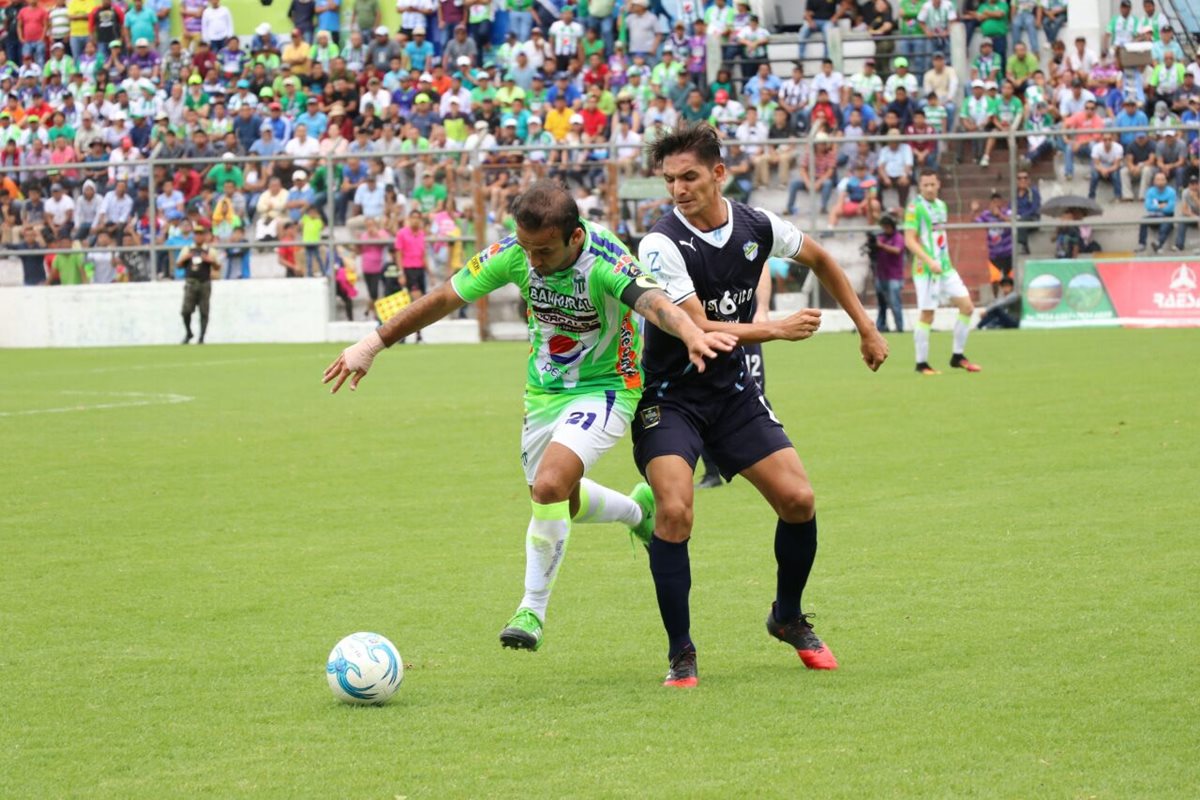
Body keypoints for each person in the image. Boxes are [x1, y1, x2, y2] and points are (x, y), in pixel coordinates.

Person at [323, 180, 735, 653]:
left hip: (607, 387)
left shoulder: (606, 259)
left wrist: (690, 332)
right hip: (544, 391)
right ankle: (637, 511)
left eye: (543, 251)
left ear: (574, 237)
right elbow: (443, 298)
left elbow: (654, 302)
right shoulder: (515, 252)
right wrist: (372, 344)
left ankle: (531, 610)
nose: (532, 262)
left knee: (549, 487)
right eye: (526, 249)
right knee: (562, 500)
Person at [633, 124, 888, 687]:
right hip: (671, 398)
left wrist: (866, 328)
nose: (678, 188)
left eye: (690, 176)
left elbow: (820, 259)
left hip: (731, 395)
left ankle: (787, 616)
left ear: (719, 173)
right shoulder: (660, 243)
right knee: (675, 511)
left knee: (799, 500)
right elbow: (695, 324)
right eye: (670, 179)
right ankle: (681, 652)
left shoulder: (757, 225)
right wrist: (772, 330)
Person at [904, 170, 981, 375]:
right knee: (928, 314)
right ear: (920, 186)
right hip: (926, 270)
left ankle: (957, 356)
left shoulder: (941, 206)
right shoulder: (915, 208)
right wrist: (929, 261)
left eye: (932, 184)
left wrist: (942, 260)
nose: (929, 188)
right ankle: (921, 364)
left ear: (938, 185)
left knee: (967, 307)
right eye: (925, 185)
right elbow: (909, 240)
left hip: (945, 268)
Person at [176, 225, 220, 344]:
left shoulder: (210, 251)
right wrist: (186, 257)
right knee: (186, 311)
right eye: (196, 234)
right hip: (191, 282)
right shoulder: (187, 249)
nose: (198, 237)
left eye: (201, 234)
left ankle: (201, 337)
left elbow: (218, 266)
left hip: (204, 282)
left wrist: (210, 260)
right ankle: (189, 332)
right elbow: (178, 264)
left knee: (204, 311)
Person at [873, 214, 905, 332]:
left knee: (895, 303)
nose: (885, 229)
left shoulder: (898, 237)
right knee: (881, 304)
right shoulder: (881, 237)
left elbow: (897, 250)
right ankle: (881, 326)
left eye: (887, 226)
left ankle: (899, 327)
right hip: (881, 275)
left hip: (894, 276)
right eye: (884, 226)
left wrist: (882, 246)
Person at [1137, 170, 1176, 253]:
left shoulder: (1171, 192)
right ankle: (1142, 244)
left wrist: (1155, 207)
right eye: (1158, 179)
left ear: (1166, 181)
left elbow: (1170, 208)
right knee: (1143, 220)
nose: (1160, 182)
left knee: (1166, 222)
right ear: (1154, 181)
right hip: (1153, 216)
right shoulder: (1150, 191)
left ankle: (1158, 243)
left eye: (1162, 179)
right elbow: (1148, 207)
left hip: (1167, 216)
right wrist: (1161, 206)